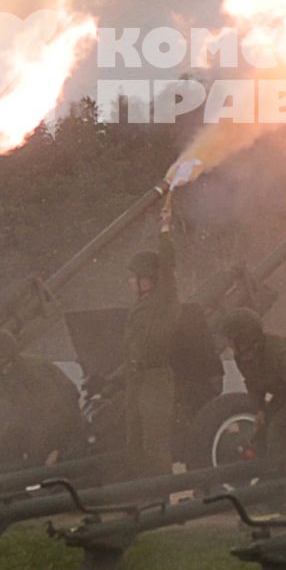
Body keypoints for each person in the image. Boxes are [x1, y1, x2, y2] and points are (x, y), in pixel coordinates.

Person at [217, 308, 286, 466]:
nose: (229, 344)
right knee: (261, 433)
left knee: (279, 428)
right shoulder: (243, 356)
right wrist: (260, 409)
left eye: (232, 339)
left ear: (245, 338)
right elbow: (252, 382)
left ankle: (282, 475)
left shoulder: (280, 356)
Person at [122, 190, 181, 477]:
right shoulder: (141, 307)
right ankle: (139, 496)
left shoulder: (163, 300)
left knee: (155, 442)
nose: (130, 282)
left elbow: (167, 266)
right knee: (134, 441)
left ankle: (158, 499)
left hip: (156, 379)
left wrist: (165, 229)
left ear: (148, 280)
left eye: (135, 277)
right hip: (138, 379)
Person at [0, 328, 86, 466]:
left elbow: (58, 412)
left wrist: (56, 448)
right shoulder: (7, 374)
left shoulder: (32, 373)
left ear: (1, 357)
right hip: (39, 423)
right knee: (8, 438)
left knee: (36, 452)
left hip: (64, 429)